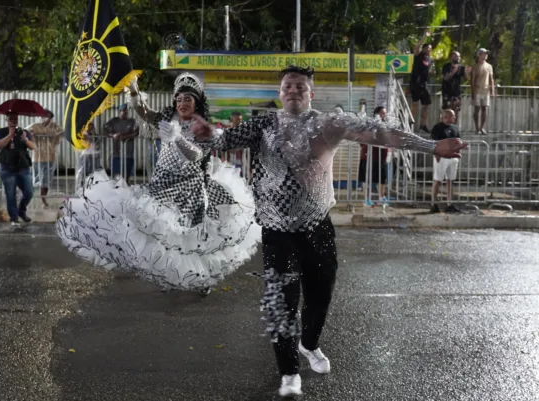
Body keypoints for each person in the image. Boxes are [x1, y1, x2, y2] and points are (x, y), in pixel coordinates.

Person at [190, 65, 467, 398]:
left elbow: (379, 133)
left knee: (320, 297)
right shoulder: (262, 124)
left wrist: (431, 146)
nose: (293, 90)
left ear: (311, 93)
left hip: (317, 227)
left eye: (300, 86)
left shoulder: (328, 123)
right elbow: (222, 139)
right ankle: (289, 372)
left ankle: (309, 344)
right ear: (279, 93)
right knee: (283, 302)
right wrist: (208, 136)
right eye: (288, 86)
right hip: (277, 231)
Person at [57, 72, 260, 294]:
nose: (182, 104)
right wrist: (134, 91)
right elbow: (144, 113)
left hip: (189, 188)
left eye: (188, 99)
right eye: (179, 99)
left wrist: (178, 138)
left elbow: (196, 155)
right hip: (162, 184)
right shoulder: (167, 118)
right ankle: (172, 277)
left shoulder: (203, 127)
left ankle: (201, 279)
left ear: (197, 103)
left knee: (190, 240)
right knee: (156, 234)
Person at [0, 113, 35, 226]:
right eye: (11, 119)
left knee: (29, 192)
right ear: (6, 120)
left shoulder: (24, 132)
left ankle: (21, 211)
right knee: (11, 194)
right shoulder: (1, 131)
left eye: (15, 119)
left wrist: (25, 139)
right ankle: (14, 217)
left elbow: (33, 147)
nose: (14, 121)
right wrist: (10, 135)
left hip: (23, 167)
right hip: (7, 167)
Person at [26, 110, 63, 208]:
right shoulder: (35, 125)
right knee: (37, 179)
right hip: (37, 156)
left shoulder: (55, 126)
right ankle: (37, 198)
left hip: (49, 156)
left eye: (46, 115)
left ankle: (43, 199)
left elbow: (60, 133)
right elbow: (26, 132)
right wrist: (31, 134)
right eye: (42, 115)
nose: (44, 117)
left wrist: (53, 135)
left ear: (50, 117)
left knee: (46, 180)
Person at [430, 109, 461, 213]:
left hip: (453, 158)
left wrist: (458, 153)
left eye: (450, 116)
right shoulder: (437, 128)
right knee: (437, 180)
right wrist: (436, 155)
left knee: (450, 181)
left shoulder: (455, 129)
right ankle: (433, 204)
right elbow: (433, 144)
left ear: (454, 117)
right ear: (442, 117)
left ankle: (449, 204)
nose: (448, 119)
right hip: (441, 158)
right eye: (446, 117)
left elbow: (458, 142)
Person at [359, 106, 389, 203]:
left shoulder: (386, 125)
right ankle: (367, 198)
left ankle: (381, 197)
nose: (384, 115)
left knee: (381, 178)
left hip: (381, 157)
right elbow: (362, 138)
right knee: (366, 178)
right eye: (382, 113)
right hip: (369, 155)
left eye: (385, 113)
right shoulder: (370, 124)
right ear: (377, 114)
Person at [104, 104, 138, 185]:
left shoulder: (132, 121)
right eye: (124, 110)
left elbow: (136, 132)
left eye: (127, 111)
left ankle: (126, 193)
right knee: (116, 177)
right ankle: (117, 193)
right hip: (116, 154)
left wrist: (125, 136)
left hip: (128, 154)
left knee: (126, 177)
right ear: (119, 111)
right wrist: (113, 135)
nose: (126, 112)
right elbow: (105, 130)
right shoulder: (114, 121)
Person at [410, 30, 433, 133]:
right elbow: (416, 46)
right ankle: (410, 122)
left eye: (430, 49)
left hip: (424, 84)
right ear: (423, 49)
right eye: (427, 48)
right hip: (415, 83)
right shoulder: (418, 55)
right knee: (415, 103)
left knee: (426, 104)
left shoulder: (429, 59)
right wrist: (425, 36)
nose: (429, 50)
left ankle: (423, 125)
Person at [470, 48, 495, 135]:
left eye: (486, 54)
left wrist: (492, 90)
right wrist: (472, 92)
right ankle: (477, 128)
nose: (485, 55)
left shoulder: (489, 66)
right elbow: (472, 80)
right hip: (477, 90)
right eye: (483, 54)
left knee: (484, 108)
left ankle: (481, 127)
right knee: (476, 109)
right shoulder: (475, 66)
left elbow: (491, 79)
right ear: (479, 55)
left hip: (485, 90)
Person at [74, 121, 103, 194]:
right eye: (89, 126)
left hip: (94, 156)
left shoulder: (96, 136)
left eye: (92, 126)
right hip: (85, 156)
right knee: (83, 173)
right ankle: (82, 190)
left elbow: (97, 145)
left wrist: (91, 137)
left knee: (93, 174)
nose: (90, 128)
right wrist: (87, 137)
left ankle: (92, 190)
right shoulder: (82, 136)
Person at [441, 51, 468, 123]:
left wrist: (466, 72)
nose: (458, 58)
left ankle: (454, 126)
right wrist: (454, 71)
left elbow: (466, 79)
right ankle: (445, 125)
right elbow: (446, 78)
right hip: (447, 91)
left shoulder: (461, 67)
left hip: (456, 92)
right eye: (456, 56)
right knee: (447, 110)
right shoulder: (446, 66)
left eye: (459, 56)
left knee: (456, 110)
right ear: (451, 57)